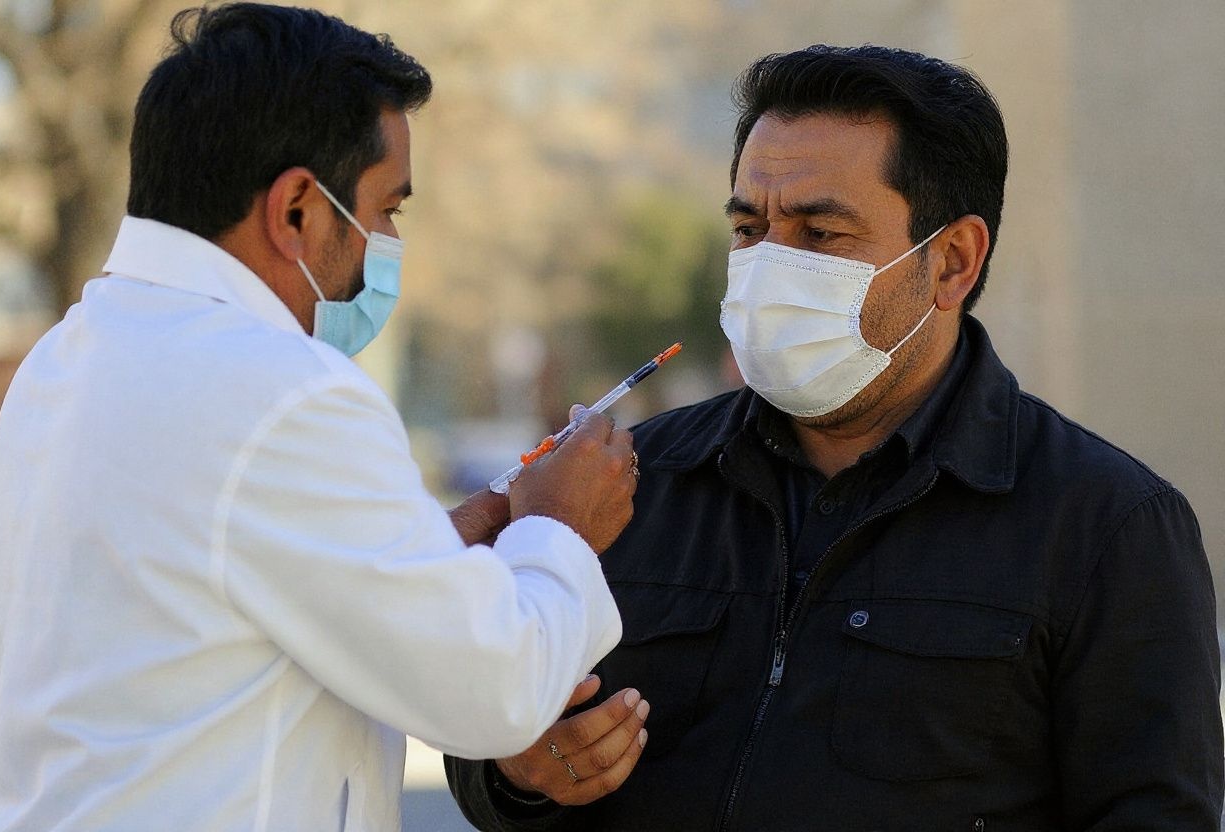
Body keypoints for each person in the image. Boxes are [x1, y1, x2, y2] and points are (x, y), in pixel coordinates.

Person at [446, 45, 1223, 830]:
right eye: (750, 228)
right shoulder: (630, 485)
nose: (769, 266)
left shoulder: (1106, 526)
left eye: (820, 234)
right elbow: (490, 740)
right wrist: (517, 771)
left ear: (952, 262)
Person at [0, 5, 645, 830]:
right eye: (387, 209)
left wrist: (456, 536)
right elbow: (495, 693)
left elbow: (236, 584)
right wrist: (559, 526)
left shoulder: (69, 354)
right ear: (298, 208)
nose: (390, 240)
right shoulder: (283, 390)